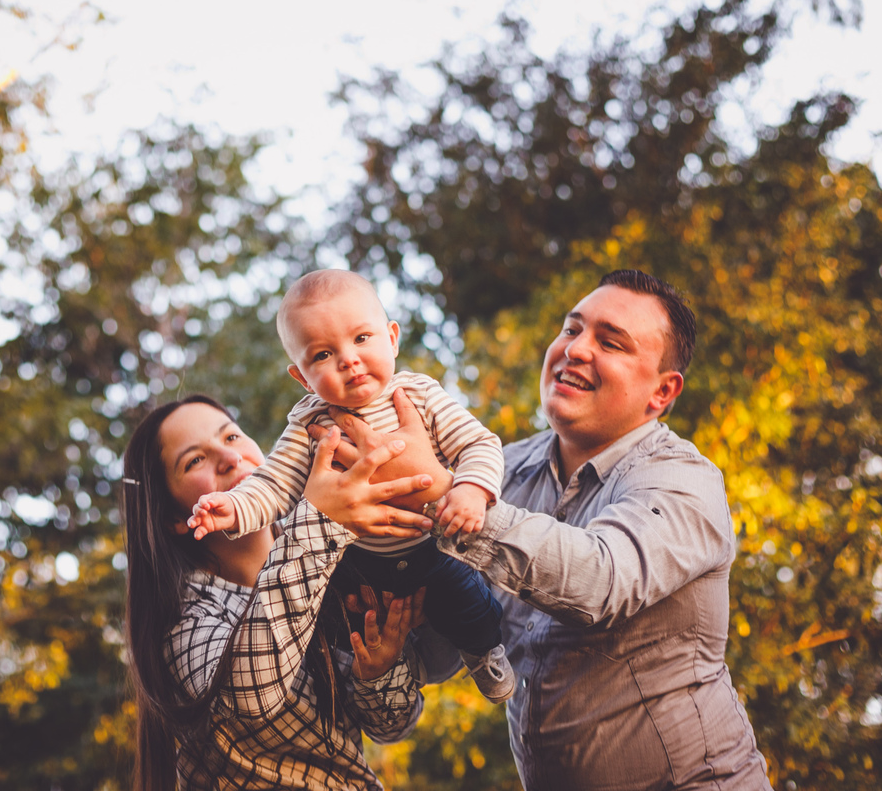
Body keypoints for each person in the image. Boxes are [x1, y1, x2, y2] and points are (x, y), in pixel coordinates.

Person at [317, 269, 773, 790]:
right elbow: (448, 646)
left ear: (662, 392)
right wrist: (385, 649)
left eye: (611, 343)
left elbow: (601, 580)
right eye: (572, 329)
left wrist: (439, 487)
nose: (576, 350)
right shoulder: (501, 474)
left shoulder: (683, 480)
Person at [189, 269, 514, 702]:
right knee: (337, 619)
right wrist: (234, 508)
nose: (348, 359)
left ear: (392, 338)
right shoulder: (308, 423)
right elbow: (273, 484)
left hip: (429, 545)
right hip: (358, 562)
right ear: (302, 378)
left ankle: (483, 652)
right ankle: (380, 674)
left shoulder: (418, 394)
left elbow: (479, 444)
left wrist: (471, 490)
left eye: (361, 339)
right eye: (323, 354)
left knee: (469, 600)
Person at [120, 394, 448, 791]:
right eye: (194, 461)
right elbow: (251, 694)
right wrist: (321, 518)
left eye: (232, 436)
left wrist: (378, 671)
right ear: (174, 518)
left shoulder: (335, 565)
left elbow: (394, 725)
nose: (229, 458)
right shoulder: (183, 622)